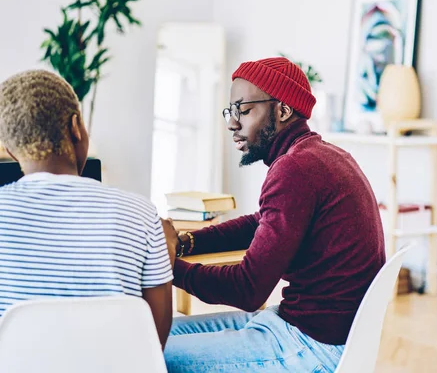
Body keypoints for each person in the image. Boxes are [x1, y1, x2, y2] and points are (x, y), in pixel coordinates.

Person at [164, 57, 386, 372]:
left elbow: (247, 289)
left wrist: (165, 266)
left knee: (147, 350)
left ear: (282, 110)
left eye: (243, 110)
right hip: (305, 327)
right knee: (152, 334)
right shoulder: (321, 157)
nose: (231, 123)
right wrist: (185, 242)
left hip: (311, 345)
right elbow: (260, 223)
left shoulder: (296, 168)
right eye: (231, 111)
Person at [0, 70, 175, 349]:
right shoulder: (140, 214)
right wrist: (168, 251)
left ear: (10, 150)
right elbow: (154, 346)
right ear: (76, 128)